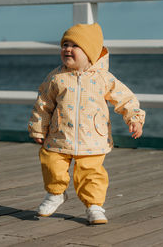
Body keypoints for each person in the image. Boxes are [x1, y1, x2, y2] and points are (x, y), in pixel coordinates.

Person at [28, 23, 145, 225]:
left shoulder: (104, 78)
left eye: (75, 45)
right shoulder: (56, 77)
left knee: (91, 174)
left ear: (89, 51)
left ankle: (94, 206)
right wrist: (38, 128)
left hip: (92, 138)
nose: (67, 49)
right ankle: (56, 193)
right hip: (59, 135)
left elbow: (126, 99)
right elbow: (43, 104)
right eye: (65, 44)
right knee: (51, 162)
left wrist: (134, 118)